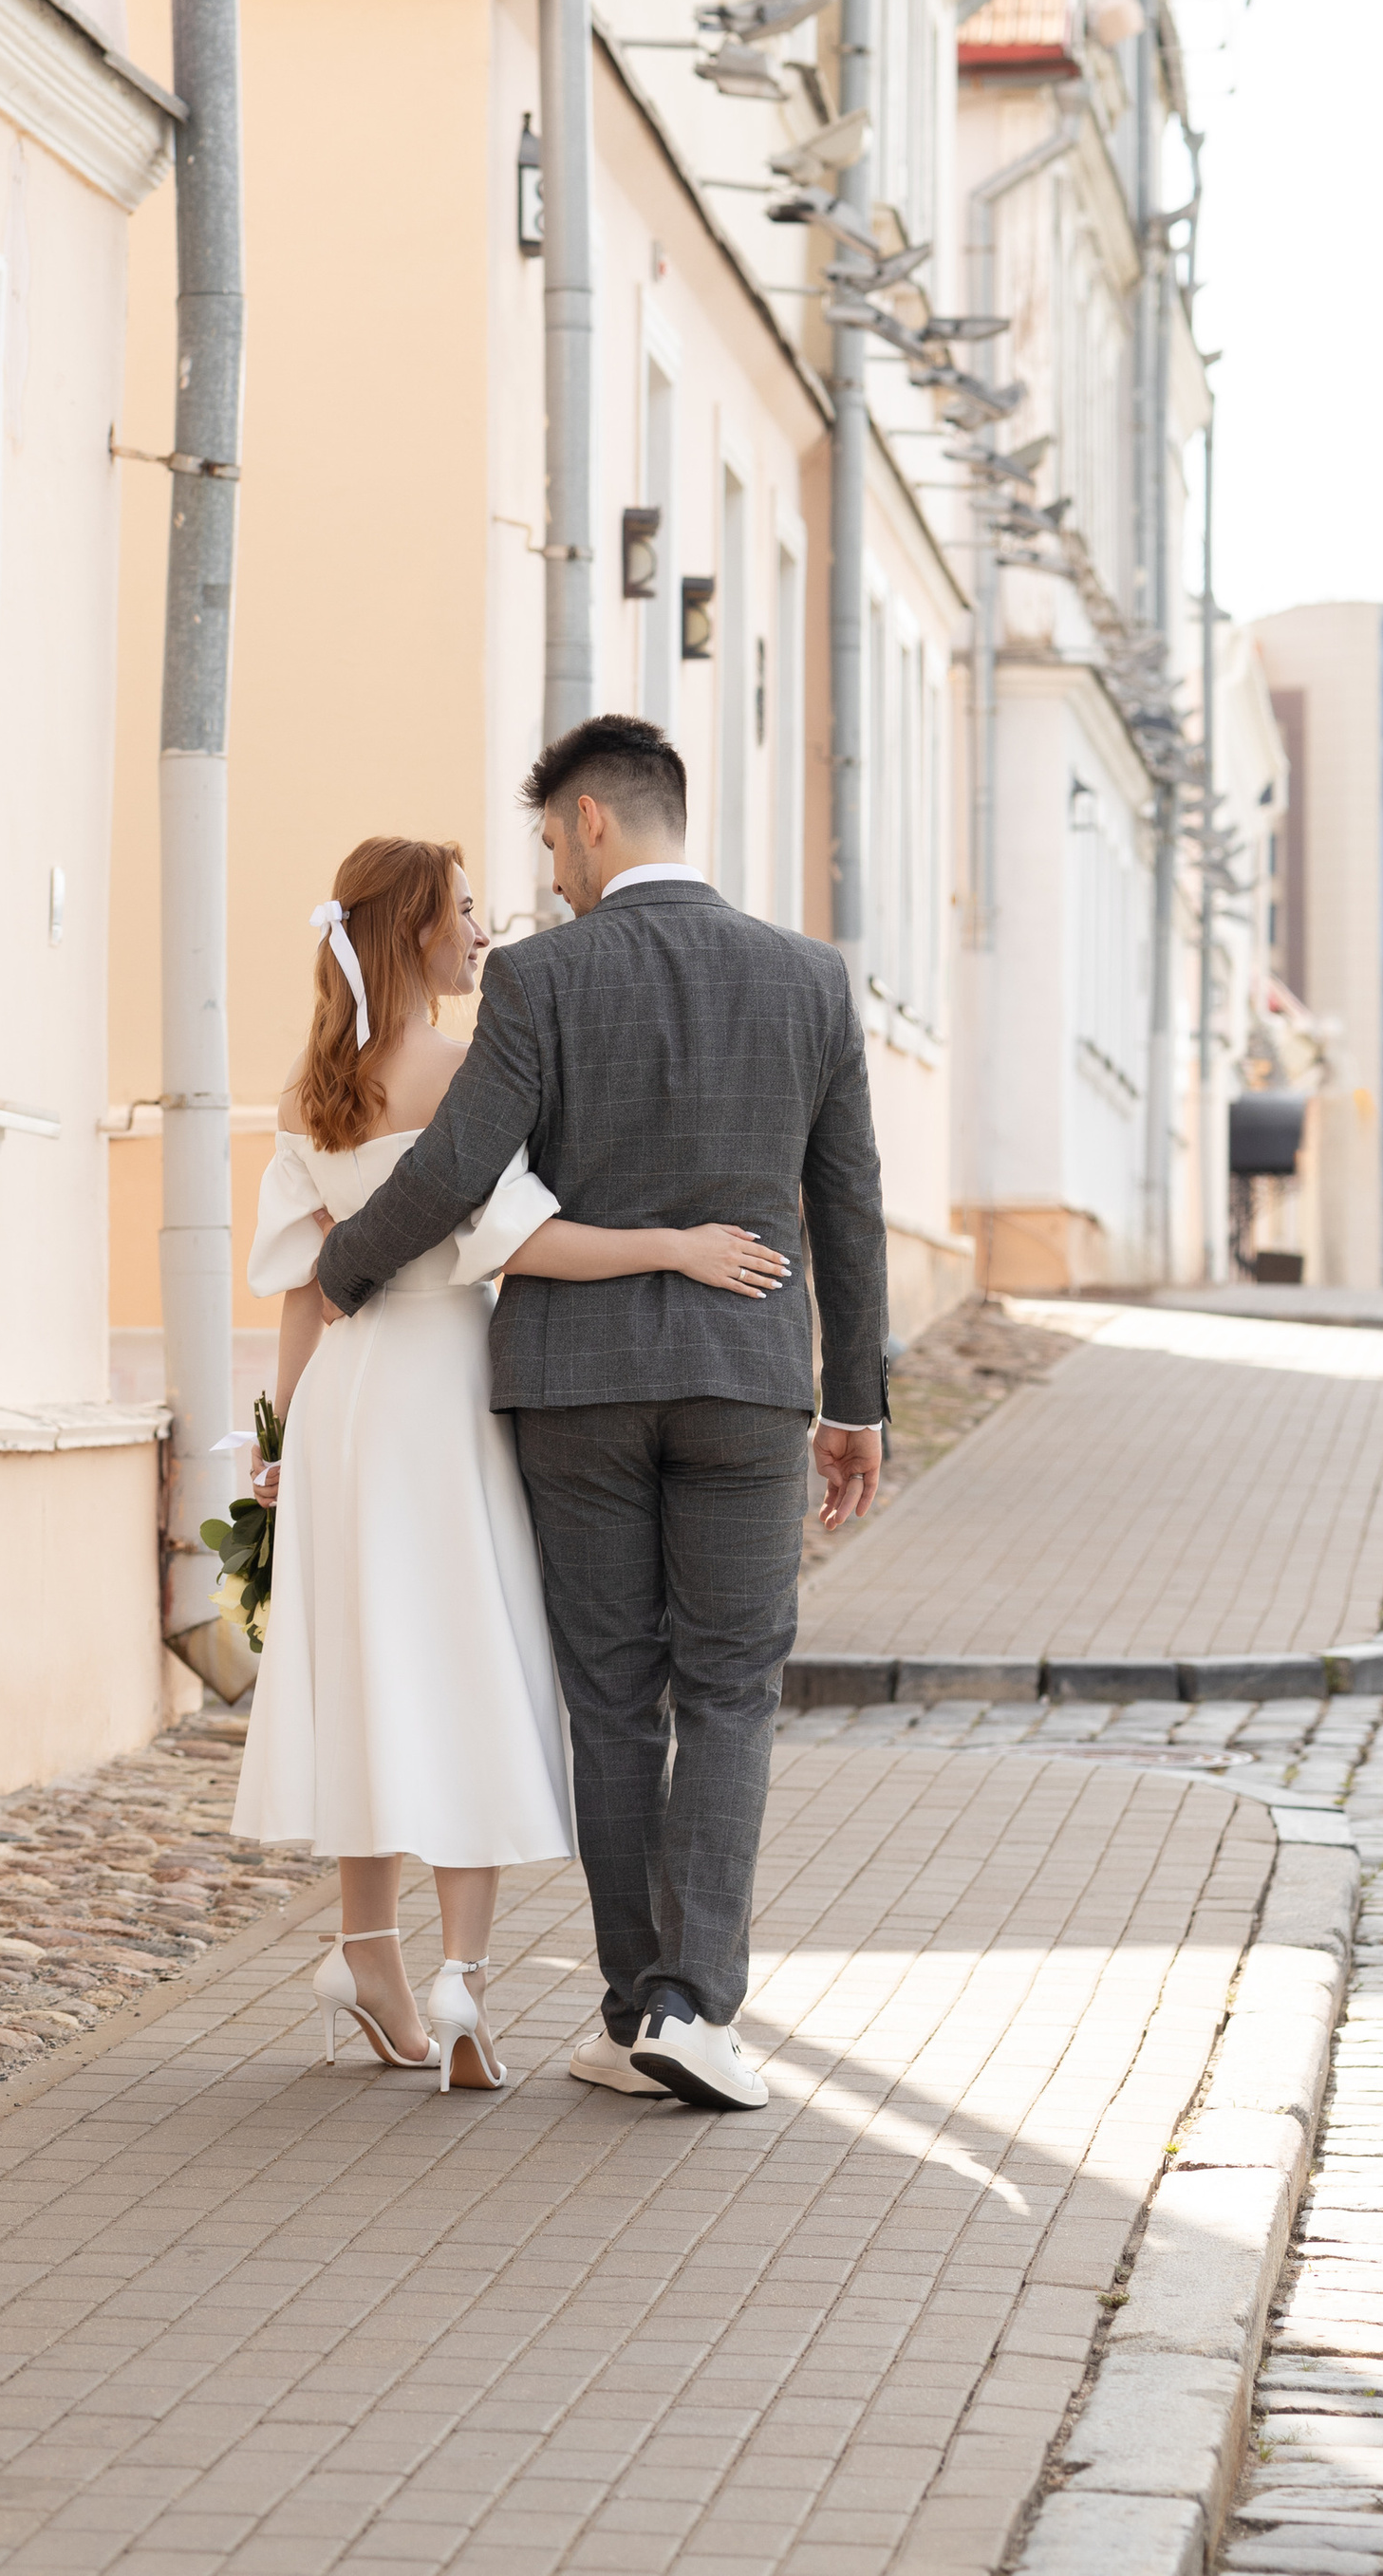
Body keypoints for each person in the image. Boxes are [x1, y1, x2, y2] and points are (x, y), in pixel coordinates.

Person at [317, 716, 888, 2116]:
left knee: (613, 1701)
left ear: (585, 821)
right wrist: (856, 1403)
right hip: (750, 1381)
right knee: (734, 1691)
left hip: (573, 1389)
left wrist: (341, 1265)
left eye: (548, 845)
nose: (548, 880)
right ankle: (692, 2006)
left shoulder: (544, 977)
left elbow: (459, 1164)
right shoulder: (810, 980)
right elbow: (850, 1206)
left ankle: (640, 2005)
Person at [234, 831, 794, 2093]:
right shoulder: (462, 1068)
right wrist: (676, 1246)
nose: (485, 932)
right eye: (465, 913)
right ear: (414, 934)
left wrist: (277, 1438)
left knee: (365, 1664)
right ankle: (462, 1978)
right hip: (444, 1396)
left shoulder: (308, 1088)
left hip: (340, 1409)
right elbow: (517, 1243)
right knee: (468, 1659)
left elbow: (304, 1292)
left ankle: (363, 1948)